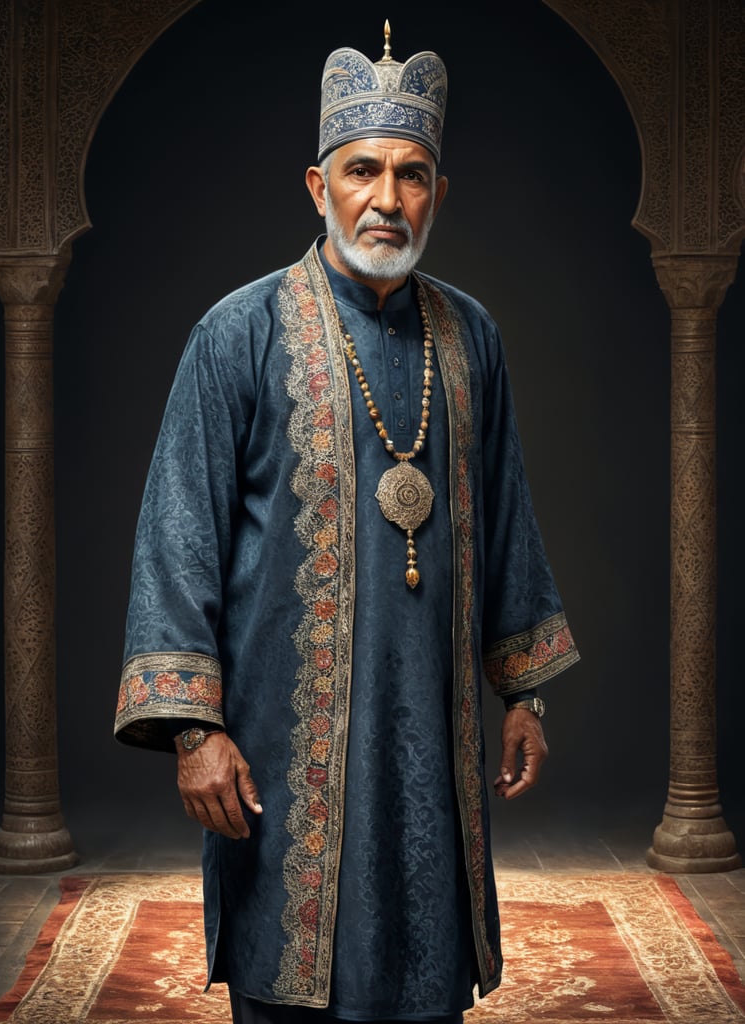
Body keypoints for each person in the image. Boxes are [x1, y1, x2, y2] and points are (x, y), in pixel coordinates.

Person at [114, 21, 580, 1024]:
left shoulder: (471, 335)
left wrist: (525, 691)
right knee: (288, 983)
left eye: (414, 175)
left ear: (439, 195)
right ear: (320, 187)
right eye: (363, 169)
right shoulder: (237, 333)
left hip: (435, 739)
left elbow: (505, 513)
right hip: (283, 751)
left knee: (428, 975)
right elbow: (176, 533)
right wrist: (195, 731)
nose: (388, 197)